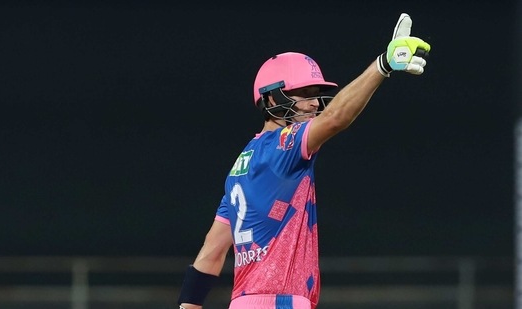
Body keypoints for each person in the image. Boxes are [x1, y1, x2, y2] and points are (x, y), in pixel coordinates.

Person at [177, 13, 431, 309]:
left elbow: (211, 252)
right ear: (271, 99)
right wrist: (382, 65)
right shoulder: (284, 144)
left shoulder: (240, 166)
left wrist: (187, 306)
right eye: (304, 94)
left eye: (317, 94)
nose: (314, 102)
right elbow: (335, 118)